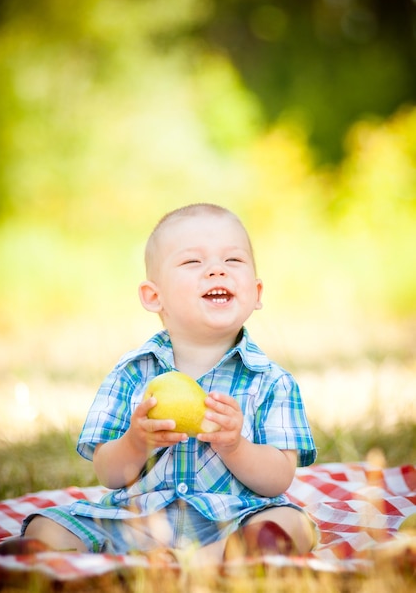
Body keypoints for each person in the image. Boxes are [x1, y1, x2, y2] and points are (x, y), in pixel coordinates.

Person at [20, 203, 317, 565]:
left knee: (291, 523)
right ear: (153, 296)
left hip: (231, 521)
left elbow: (279, 479)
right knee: (46, 526)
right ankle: (36, 561)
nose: (217, 270)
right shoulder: (132, 373)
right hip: (136, 521)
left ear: (256, 292)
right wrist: (136, 442)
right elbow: (108, 474)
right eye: (193, 262)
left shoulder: (271, 381)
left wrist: (235, 446)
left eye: (233, 261)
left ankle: (207, 562)